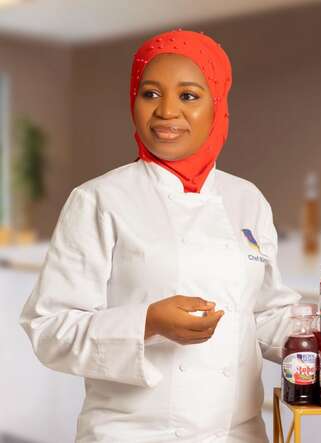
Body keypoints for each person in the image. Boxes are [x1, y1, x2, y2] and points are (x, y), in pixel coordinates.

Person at [20, 29, 300, 443]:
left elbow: (260, 315)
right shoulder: (99, 199)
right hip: (131, 434)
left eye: (188, 95)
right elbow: (50, 328)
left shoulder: (246, 199)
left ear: (217, 103)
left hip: (236, 434)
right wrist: (147, 323)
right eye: (150, 94)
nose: (167, 111)